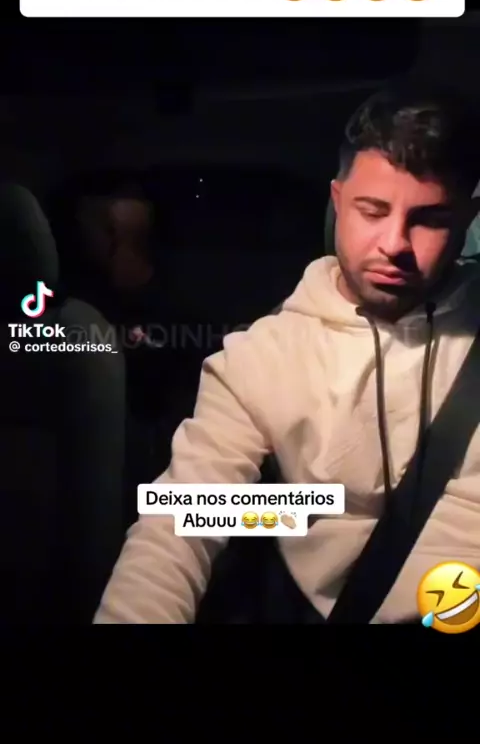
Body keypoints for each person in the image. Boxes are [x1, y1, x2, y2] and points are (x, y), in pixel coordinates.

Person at [94, 80, 480, 624]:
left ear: (466, 220)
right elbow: (179, 524)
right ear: (338, 202)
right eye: (372, 211)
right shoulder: (258, 360)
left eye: (429, 219)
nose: (395, 243)